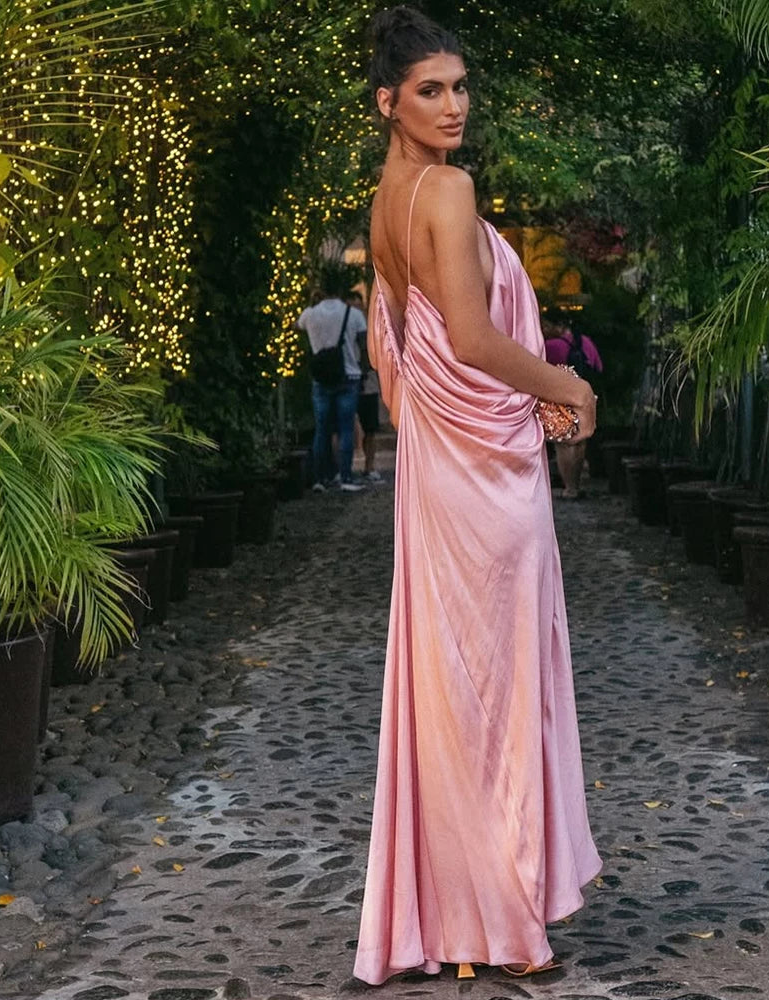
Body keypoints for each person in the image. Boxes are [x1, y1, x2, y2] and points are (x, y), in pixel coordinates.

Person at [354, 6, 601, 986]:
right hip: (484, 476)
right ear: (389, 101)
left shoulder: (386, 198)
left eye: (459, 87)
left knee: (452, 686)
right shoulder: (445, 191)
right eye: (430, 90)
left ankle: (455, 916)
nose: (453, 106)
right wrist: (565, 384)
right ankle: (498, 921)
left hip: (442, 467)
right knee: (494, 689)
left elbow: (399, 359)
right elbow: (465, 336)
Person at [298, 270, 366, 492]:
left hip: (321, 377)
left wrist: (311, 301)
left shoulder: (310, 314)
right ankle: (345, 475)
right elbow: (363, 345)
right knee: (346, 428)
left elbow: (297, 326)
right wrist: (364, 371)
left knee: (322, 429)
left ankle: (320, 478)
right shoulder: (353, 314)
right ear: (340, 290)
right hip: (348, 374)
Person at [543, 312, 604, 499]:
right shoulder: (585, 341)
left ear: (557, 326)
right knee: (580, 441)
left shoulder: (550, 346)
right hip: (584, 393)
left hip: (560, 395)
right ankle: (576, 483)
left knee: (564, 443)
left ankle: (569, 486)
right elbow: (599, 366)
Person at [350, 289, 383, 482]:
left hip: (366, 380)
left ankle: (369, 465)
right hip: (354, 378)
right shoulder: (351, 325)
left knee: (370, 427)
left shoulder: (369, 325)